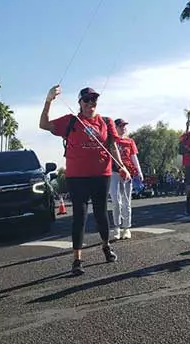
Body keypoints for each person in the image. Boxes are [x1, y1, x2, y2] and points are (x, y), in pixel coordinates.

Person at [39, 85, 131, 276]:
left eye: (93, 100)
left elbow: (112, 147)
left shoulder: (106, 122)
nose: (91, 104)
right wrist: (48, 101)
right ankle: (77, 259)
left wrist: (121, 166)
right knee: (80, 216)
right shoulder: (71, 121)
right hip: (77, 176)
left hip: (101, 174)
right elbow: (44, 124)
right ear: (79, 103)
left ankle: (106, 246)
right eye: (86, 100)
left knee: (100, 213)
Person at [110, 118, 144, 240]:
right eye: (120, 126)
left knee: (126, 202)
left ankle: (126, 228)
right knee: (116, 201)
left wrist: (139, 172)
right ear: (115, 127)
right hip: (113, 172)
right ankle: (117, 227)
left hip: (127, 174)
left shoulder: (130, 141)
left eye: (124, 126)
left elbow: (134, 157)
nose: (123, 128)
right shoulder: (111, 140)